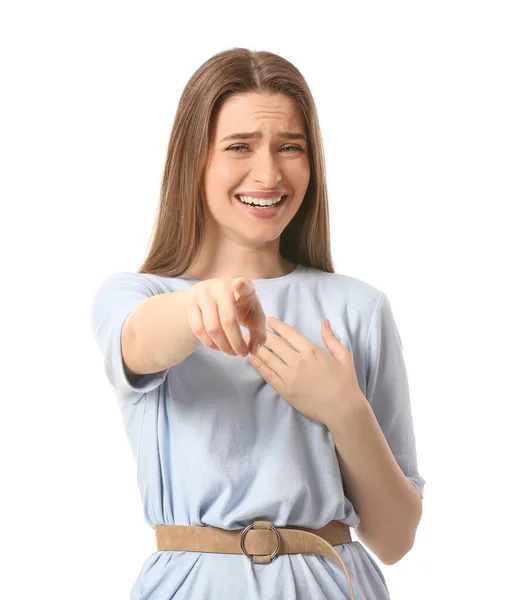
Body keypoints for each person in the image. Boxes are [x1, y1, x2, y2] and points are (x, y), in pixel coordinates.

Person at [89, 48, 426, 600]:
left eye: (289, 147)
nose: (268, 173)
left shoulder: (359, 308)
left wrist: (344, 411)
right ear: (193, 159)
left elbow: (394, 539)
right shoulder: (140, 295)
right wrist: (201, 306)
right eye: (239, 147)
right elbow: (137, 340)